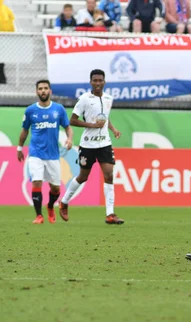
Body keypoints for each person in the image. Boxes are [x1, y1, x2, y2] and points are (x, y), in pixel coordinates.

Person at [59, 69, 124, 225]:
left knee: (109, 174)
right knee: (83, 177)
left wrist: (113, 129)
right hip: (88, 145)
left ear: (104, 82)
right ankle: (64, 202)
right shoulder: (84, 99)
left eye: (100, 80)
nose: (97, 83)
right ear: (90, 82)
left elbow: (105, 118)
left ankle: (110, 214)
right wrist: (92, 125)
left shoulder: (109, 98)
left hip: (105, 144)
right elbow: (72, 120)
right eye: (94, 80)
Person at [17, 80, 74, 224]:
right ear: (37, 92)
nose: (43, 91)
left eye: (45, 88)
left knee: (55, 188)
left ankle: (50, 206)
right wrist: (19, 148)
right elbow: (25, 130)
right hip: (36, 154)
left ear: (50, 91)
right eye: (40, 89)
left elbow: (68, 127)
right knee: (36, 182)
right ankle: (39, 216)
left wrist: (70, 138)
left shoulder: (58, 109)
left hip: (53, 155)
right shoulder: (30, 110)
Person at [0, 0, 15, 84]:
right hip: (4, 38)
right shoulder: (6, 10)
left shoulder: (6, 10)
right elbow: (11, 25)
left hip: (4, 38)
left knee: (1, 60)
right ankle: (2, 78)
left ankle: (2, 78)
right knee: (1, 60)